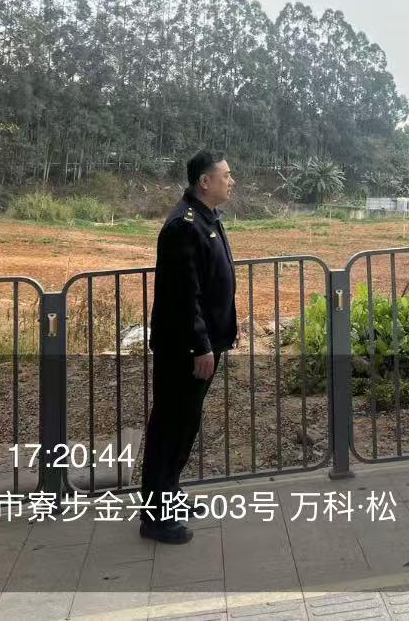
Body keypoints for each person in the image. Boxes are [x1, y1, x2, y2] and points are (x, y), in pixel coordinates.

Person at [139, 149, 238, 543]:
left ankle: (170, 494)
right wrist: (201, 347)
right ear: (205, 182)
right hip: (184, 349)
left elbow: (213, 283)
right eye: (226, 175)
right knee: (170, 427)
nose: (231, 181)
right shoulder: (184, 225)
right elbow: (185, 297)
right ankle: (155, 517)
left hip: (204, 342)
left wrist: (223, 331)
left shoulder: (207, 219)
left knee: (185, 424)